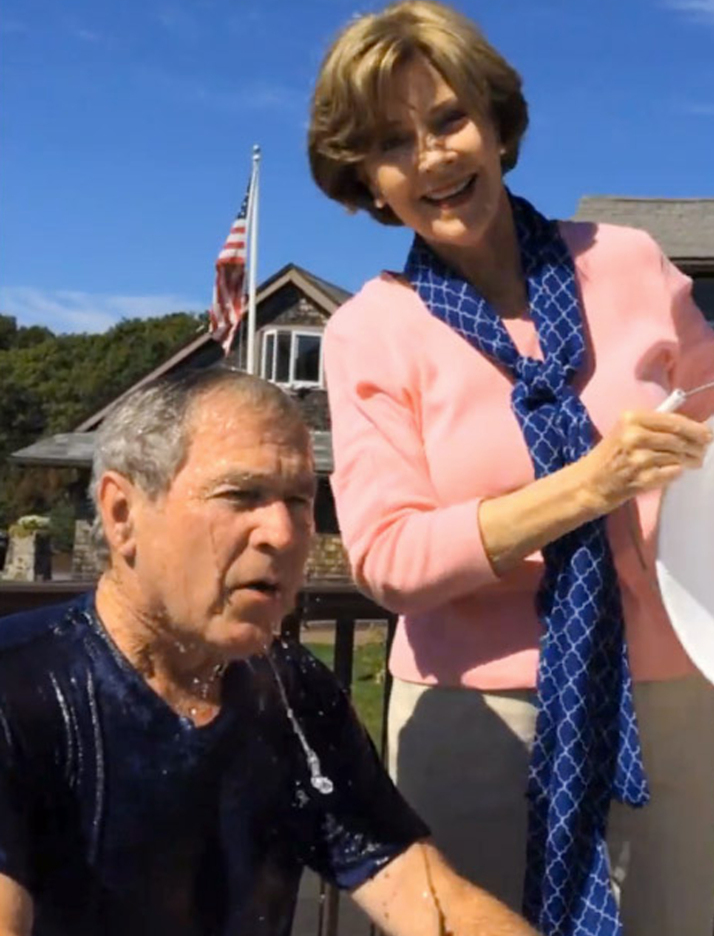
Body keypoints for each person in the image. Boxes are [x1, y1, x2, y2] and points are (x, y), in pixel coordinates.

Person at [307, 0, 714, 936]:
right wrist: (587, 488)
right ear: (366, 179)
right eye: (395, 143)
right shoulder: (370, 330)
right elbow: (389, 558)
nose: (434, 156)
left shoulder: (631, 265)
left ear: (493, 120)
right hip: (472, 722)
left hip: (665, 703)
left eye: (448, 118)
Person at [0, 368, 540, 936]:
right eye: (241, 495)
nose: (282, 534)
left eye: (300, 500)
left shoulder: (290, 691)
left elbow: (425, 896)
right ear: (122, 514)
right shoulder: (20, 691)